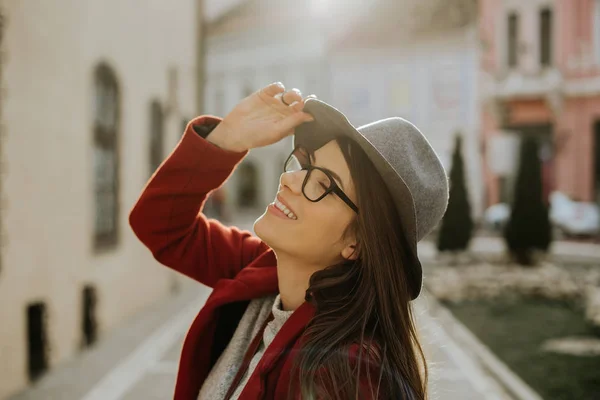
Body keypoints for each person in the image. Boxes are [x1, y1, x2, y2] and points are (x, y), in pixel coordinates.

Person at [129, 82, 449, 399]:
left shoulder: (346, 376)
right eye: (306, 164)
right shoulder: (263, 274)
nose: (290, 179)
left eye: (323, 182)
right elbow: (160, 225)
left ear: (357, 242)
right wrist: (227, 140)